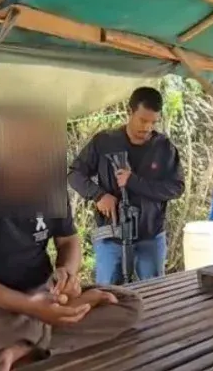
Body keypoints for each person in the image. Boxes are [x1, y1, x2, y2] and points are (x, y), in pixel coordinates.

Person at [0, 113, 144, 371]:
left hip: (44, 290)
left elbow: (68, 240)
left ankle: (21, 345)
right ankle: (44, 329)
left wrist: (66, 274)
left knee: (129, 304)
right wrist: (30, 307)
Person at [69, 86, 184, 284]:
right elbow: (74, 174)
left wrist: (134, 182)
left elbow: (176, 187)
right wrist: (98, 195)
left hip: (150, 236)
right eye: (143, 120)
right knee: (107, 295)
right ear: (128, 112)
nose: (147, 128)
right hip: (111, 237)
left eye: (153, 122)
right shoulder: (105, 142)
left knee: (154, 294)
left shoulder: (163, 147)